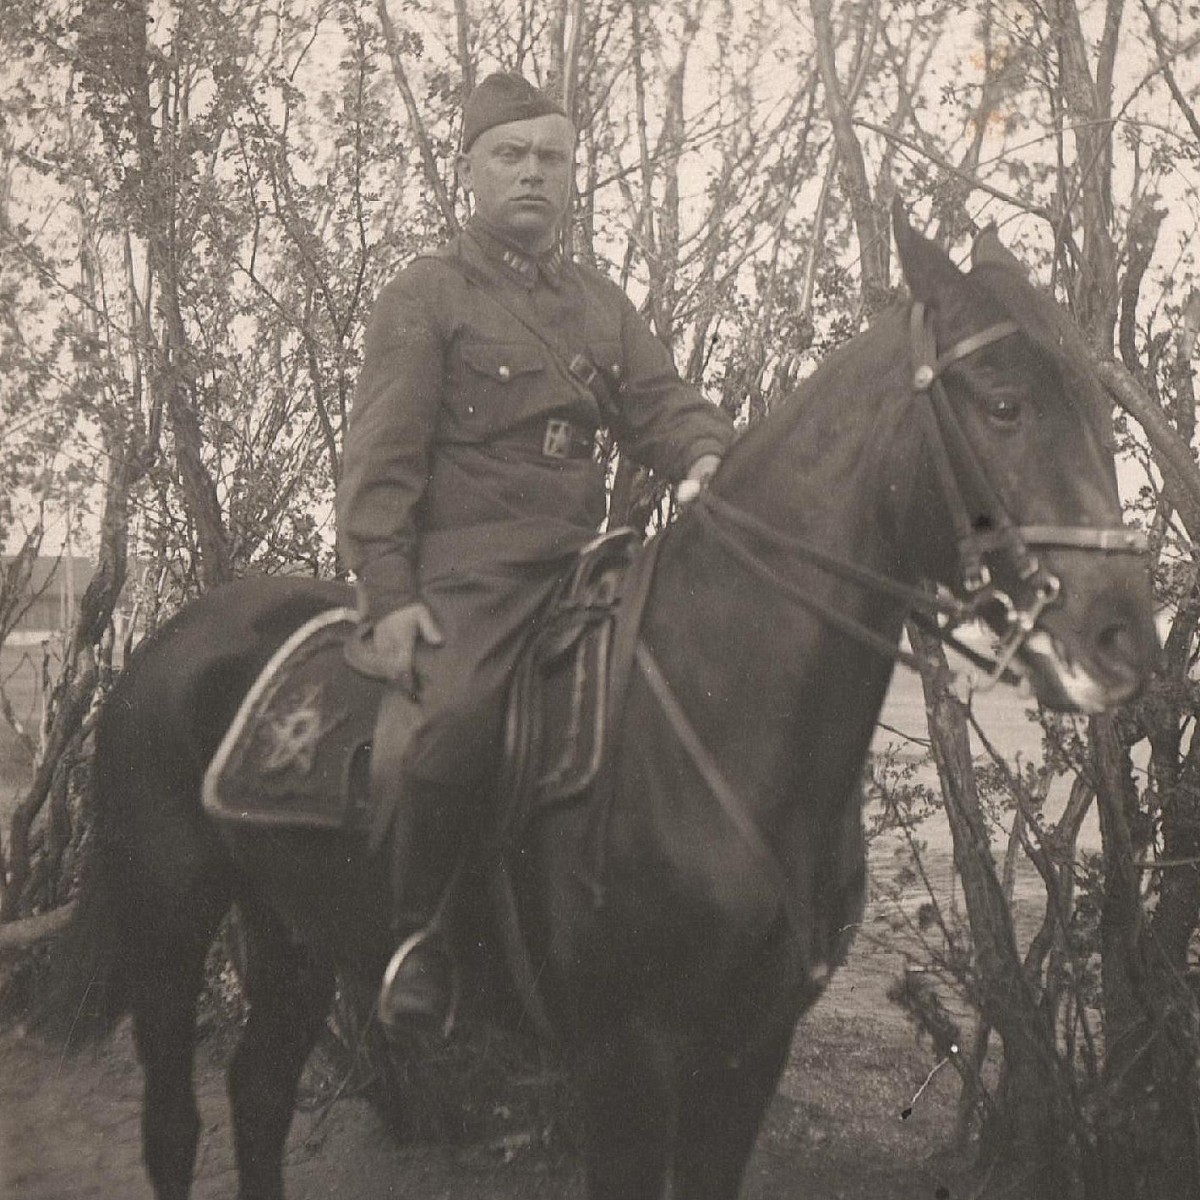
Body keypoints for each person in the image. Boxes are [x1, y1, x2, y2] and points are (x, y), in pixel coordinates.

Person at [336, 72, 736, 1029]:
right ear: (469, 170)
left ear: (572, 177)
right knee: (446, 729)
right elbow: (380, 461)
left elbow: (660, 405)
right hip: (470, 567)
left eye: (551, 158)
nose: (532, 173)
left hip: (584, 556)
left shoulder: (600, 305)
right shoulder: (426, 295)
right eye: (510, 155)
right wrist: (389, 594)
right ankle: (415, 938)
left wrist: (710, 454)